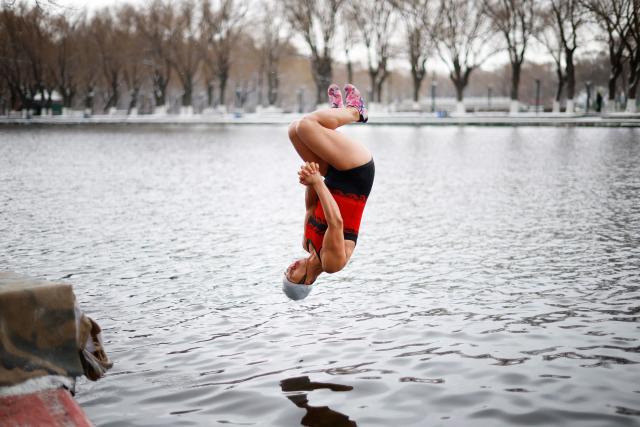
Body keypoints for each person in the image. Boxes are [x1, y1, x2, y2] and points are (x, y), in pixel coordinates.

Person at [282, 84, 375, 300]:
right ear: (306, 282)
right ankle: (356, 111)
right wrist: (317, 182)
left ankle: (335, 114)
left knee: (294, 131)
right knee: (307, 126)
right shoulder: (332, 264)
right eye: (291, 276)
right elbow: (336, 223)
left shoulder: (306, 243)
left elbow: (311, 206)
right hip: (356, 176)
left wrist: (309, 181)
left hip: (334, 177)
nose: (289, 269)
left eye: (286, 272)